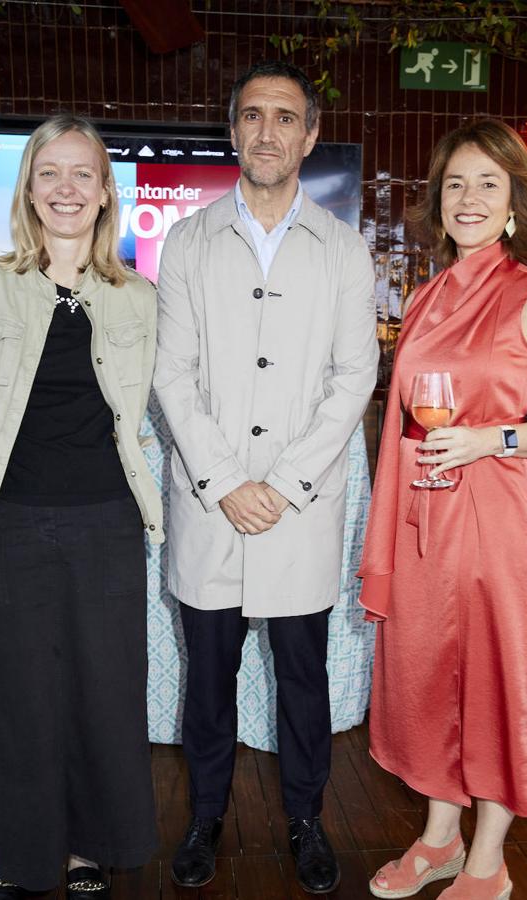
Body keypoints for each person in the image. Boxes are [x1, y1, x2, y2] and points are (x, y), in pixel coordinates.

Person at [153, 60, 378, 893]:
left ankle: (307, 818)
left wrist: (280, 484)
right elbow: (169, 374)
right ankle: (206, 816)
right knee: (206, 683)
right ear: (234, 130)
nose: (268, 131)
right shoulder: (188, 240)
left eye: (286, 117)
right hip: (213, 509)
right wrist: (222, 481)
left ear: (309, 135)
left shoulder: (345, 249)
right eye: (253, 116)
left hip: (297, 511)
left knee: (301, 680)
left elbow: (354, 379)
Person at [358, 119, 527, 900]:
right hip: (424, 517)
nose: (468, 198)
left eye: (487, 183)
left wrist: (489, 439)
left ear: (514, 204)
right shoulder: (424, 297)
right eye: (455, 183)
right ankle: (439, 837)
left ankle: (487, 858)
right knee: (426, 672)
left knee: (490, 674)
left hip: (493, 517)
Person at [0, 114, 163, 900]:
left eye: (83, 174)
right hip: (6, 525)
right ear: (29, 189)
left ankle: (87, 849)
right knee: (14, 693)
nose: (66, 189)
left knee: (103, 692)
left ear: (106, 193)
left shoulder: (137, 297)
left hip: (106, 521)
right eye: (50, 174)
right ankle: (25, 855)